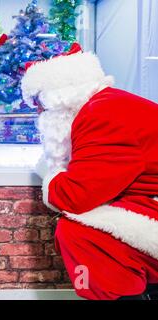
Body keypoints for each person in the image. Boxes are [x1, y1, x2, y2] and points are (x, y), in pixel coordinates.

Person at [22, 43, 158, 300]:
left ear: (60, 97)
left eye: (40, 103)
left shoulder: (100, 115)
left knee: (78, 231)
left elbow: (76, 196)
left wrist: (51, 175)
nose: (39, 113)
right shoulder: (105, 105)